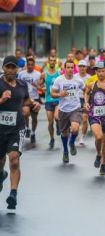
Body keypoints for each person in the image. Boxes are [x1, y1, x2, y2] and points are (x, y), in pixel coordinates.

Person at [0, 55, 41, 210]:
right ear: (3, 68)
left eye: (13, 67)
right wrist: (1, 101)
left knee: (14, 159)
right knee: (1, 162)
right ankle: (1, 176)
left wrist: (34, 105)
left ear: (17, 69)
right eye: (8, 67)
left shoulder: (22, 85)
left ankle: (13, 194)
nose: (10, 70)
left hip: (17, 128)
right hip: (0, 130)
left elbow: (26, 100)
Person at [51, 60, 85, 163]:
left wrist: (86, 101)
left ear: (73, 69)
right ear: (64, 69)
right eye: (68, 67)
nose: (70, 69)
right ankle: (66, 150)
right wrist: (59, 94)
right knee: (64, 133)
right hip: (63, 109)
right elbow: (52, 93)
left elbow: (85, 90)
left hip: (75, 108)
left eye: (71, 67)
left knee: (75, 129)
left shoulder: (78, 80)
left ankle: (72, 142)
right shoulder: (59, 80)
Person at [17, 56, 42, 144]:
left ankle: (33, 133)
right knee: (25, 114)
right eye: (29, 64)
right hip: (25, 98)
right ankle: (27, 128)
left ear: (34, 65)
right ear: (26, 64)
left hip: (35, 98)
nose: (30, 66)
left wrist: (37, 85)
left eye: (32, 64)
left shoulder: (38, 74)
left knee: (34, 117)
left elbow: (41, 86)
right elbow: (18, 85)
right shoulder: (21, 74)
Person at [38, 56, 61, 148]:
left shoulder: (58, 74)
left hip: (57, 99)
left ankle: (58, 126)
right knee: (50, 122)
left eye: (53, 61)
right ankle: (52, 138)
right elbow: (39, 84)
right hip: (48, 100)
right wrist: (42, 89)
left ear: (55, 62)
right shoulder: (44, 74)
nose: (52, 62)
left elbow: (62, 84)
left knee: (56, 117)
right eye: (50, 60)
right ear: (48, 62)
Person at [75, 60, 91, 145]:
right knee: (76, 120)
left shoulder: (89, 78)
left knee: (85, 119)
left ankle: (81, 137)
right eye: (80, 66)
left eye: (83, 66)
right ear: (78, 67)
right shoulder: (74, 77)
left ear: (86, 68)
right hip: (75, 100)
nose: (82, 68)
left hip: (86, 100)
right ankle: (74, 132)